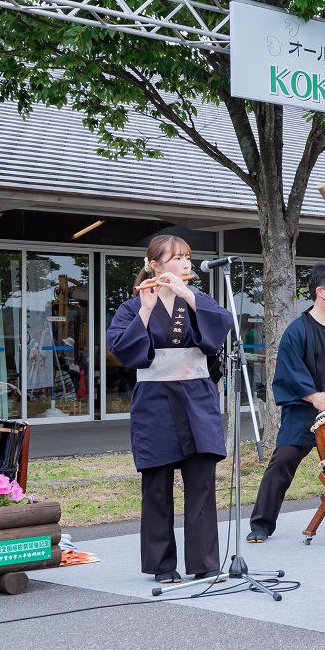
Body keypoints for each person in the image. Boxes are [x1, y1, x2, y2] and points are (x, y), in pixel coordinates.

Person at [106, 235, 233, 583]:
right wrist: (146, 310)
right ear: (155, 265)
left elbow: (219, 329)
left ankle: (205, 561)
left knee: (202, 483)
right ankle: (162, 564)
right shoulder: (132, 307)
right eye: (176, 258)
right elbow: (121, 349)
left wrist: (188, 295)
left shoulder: (197, 300)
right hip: (154, 402)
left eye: (188, 257)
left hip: (197, 397)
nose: (186, 264)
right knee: (158, 486)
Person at [246, 263, 325, 543]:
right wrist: (313, 395)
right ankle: (261, 524)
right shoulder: (297, 331)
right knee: (283, 461)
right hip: (303, 412)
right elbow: (289, 371)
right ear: (321, 292)